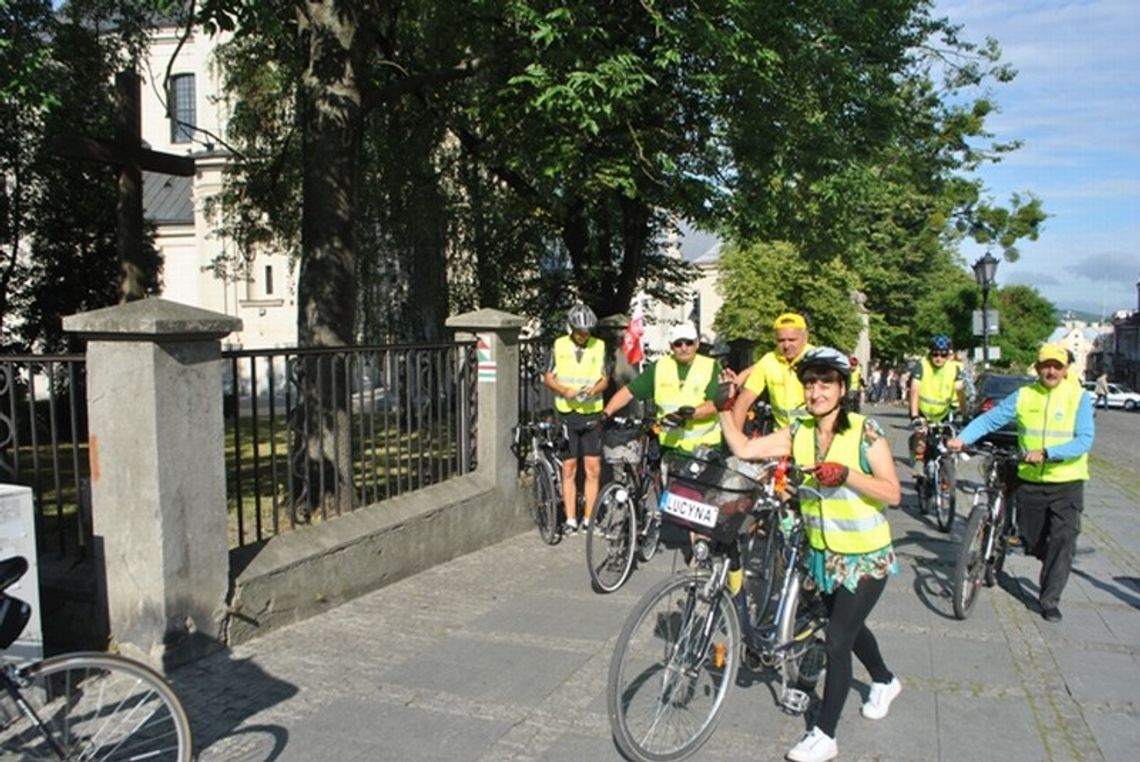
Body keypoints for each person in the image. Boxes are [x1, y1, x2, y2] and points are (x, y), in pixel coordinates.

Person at [715, 347, 902, 762]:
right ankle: (885, 680)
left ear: (842, 389)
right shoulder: (798, 430)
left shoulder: (864, 432)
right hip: (824, 556)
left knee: (836, 639)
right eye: (810, 383)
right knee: (848, 628)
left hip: (866, 557)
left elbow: (893, 492)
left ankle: (824, 734)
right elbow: (744, 449)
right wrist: (727, 406)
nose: (816, 392)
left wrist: (848, 475)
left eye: (826, 383)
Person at [948, 344, 1094, 623]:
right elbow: (990, 419)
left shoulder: (1079, 397)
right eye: (1046, 365)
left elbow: (1085, 440)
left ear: (1065, 370)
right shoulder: (1024, 395)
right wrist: (962, 439)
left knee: (1063, 539)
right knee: (1033, 539)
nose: (1051, 371)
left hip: (1067, 481)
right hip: (1029, 480)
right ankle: (1046, 557)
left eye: (1057, 366)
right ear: (1038, 368)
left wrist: (1049, 453)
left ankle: (1049, 599)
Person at [602, 321, 722, 453]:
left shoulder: (711, 366)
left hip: (704, 448)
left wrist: (684, 416)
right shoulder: (659, 367)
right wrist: (606, 414)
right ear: (671, 346)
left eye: (688, 343)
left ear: (697, 344)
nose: (684, 348)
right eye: (678, 344)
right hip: (669, 448)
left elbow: (714, 405)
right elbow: (629, 391)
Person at [542, 303, 609, 535]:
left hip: (591, 413)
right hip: (567, 413)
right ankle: (571, 519)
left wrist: (595, 389)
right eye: (580, 332)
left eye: (588, 331)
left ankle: (590, 519)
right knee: (569, 468)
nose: (584, 335)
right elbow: (548, 377)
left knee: (593, 469)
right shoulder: (559, 345)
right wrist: (563, 390)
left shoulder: (599, 346)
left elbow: (605, 380)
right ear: (571, 329)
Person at [731, 312, 813, 432]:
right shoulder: (768, 361)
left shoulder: (817, 358)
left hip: (812, 434)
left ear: (805, 337)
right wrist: (735, 439)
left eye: (792, 340)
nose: (786, 345)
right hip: (782, 436)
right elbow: (744, 401)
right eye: (781, 340)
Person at [908, 335, 968, 465]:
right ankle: (917, 452)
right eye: (935, 355)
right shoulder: (922, 366)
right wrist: (914, 416)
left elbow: (960, 392)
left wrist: (965, 414)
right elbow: (914, 391)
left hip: (943, 412)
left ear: (948, 354)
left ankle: (945, 472)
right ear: (930, 353)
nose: (939, 358)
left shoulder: (954, 368)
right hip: (922, 409)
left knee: (948, 441)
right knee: (921, 441)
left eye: (943, 355)